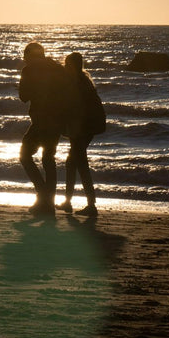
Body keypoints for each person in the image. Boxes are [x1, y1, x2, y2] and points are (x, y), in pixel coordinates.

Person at [19, 42, 73, 217]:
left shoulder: (28, 70)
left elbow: (23, 97)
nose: (24, 60)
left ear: (29, 55)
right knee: (48, 160)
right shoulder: (57, 68)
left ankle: (43, 196)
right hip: (56, 121)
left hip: (40, 120)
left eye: (25, 57)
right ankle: (47, 202)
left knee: (25, 156)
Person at [57, 52, 106, 217]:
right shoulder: (82, 80)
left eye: (67, 64)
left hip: (82, 129)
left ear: (74, 65)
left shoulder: (78, 82)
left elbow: (77, 108)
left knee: (81, 164)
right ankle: (68, 202)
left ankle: (91, 205)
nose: (65, 67)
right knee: (71, 163)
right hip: (83, 128)